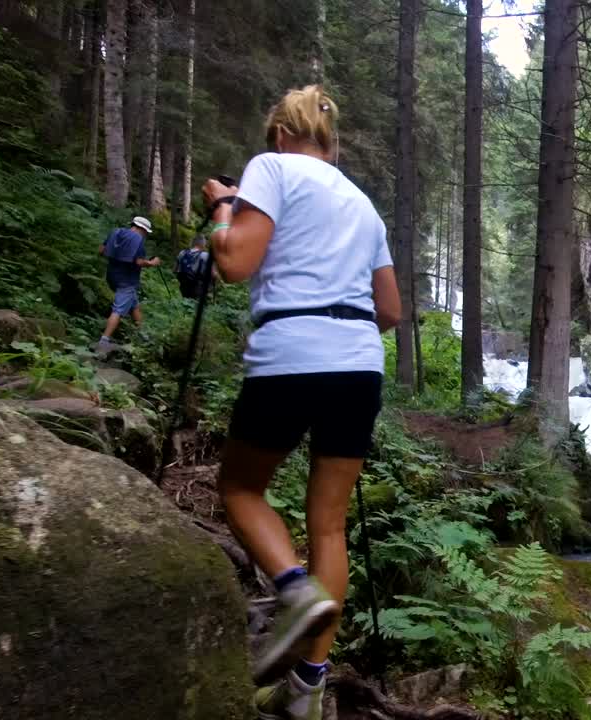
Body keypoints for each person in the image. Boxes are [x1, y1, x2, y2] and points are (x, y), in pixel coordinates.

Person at [202, 85, 401, 720]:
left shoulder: (271, 168)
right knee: (330, 526)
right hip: (359, 365)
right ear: (329, 141)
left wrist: (224, 206)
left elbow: (233, 263)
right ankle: (307, 692)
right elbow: (391, 311)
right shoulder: (363, 204)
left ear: (283, 136)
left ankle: (291, 590)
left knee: (239, 489)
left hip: (290, 353)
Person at [98, 216, 161, 347]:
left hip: (111, 276)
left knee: (134, 305)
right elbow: (138, 262)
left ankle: (143, 335)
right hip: (127, 280)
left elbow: (101, 250)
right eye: (146, 232)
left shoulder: (115, 232)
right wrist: (151, 263)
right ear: (143, 229)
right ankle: (104, 340)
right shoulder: (138, 240)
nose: (145, 235)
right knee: (118, 310)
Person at [174, 234, 214, 299]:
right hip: (198, 287)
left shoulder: (182, 252)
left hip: (183, 285)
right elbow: (213, 274)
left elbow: (175, 269)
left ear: (193, 242)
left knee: (185, 301)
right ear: (203, 244)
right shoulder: (205, 255)